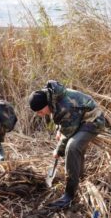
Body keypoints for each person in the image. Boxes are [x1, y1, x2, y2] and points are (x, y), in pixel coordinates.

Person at [28, 80, 105, 209]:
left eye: (40, 111)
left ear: (46, 104)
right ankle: (80, 176)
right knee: (74, 145)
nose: (39, 114)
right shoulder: (52, 97)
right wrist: (59, 130)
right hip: (81, 118)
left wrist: (58, 151)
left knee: (72, 147)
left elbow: (68, 131)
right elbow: (63, 119)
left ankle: (69, 194)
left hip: (93, 119)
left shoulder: (64, 105)